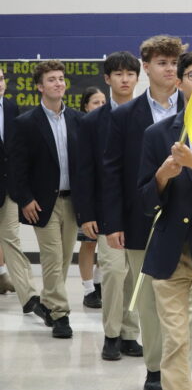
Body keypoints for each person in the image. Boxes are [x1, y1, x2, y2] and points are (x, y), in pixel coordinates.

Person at [103, 35, 186, 390]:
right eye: (162, 63)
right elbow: (112, 171)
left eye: (174, 63)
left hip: (189, 220)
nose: (170, 69)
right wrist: (113, 223)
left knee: (187, 304)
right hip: (142, 219)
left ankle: (184, 368)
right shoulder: (125, 116)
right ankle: (155, 366)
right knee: (149, 301)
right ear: (146, 67)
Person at [137, 50, 192, 390]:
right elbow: (145, 200)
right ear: (179, 82)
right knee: (176, 340)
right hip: (170, 251)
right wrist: (163, 176)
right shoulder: (157, 133)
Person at [74, 52, 143, 361]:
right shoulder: (92, 121)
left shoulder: (148, 114)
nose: (124, 79)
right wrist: (86, 214)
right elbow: (84, 170)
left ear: (137, 78)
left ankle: (130, 333)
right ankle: (112, 335)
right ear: (107, 79)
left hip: (142, 210)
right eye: (118, 74)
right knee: (114, 271)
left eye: (130, 73)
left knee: (136, 277)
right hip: (107, 212)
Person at [9, 60, 82, 338]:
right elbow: (17, 166)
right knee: (52, 257)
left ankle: (50, 304)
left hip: (72, 200)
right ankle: (62, 315)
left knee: (63, 259)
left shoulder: (77, 119)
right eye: (52, 79)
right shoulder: (26, 123)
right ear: (40, 86)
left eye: (61, 79)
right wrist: (25, 199)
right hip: (42, 203)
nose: (58, 83)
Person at [1, 66, 40, 309]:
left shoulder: (11, 107)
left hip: (8, 189)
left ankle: (29, 297)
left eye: (2, 78)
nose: (0, 83)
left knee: (12, 241)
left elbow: (13, 152)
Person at [77, 86, 106, 309]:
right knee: (89, 243)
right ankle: (88, 289)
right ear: (86, 106)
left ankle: (98, 283)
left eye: (103, 102)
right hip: (88, 195)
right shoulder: (81, 129)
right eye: (96, 102)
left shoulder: (111, 126)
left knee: (106, 244)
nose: (100, 106)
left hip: (107, 195)